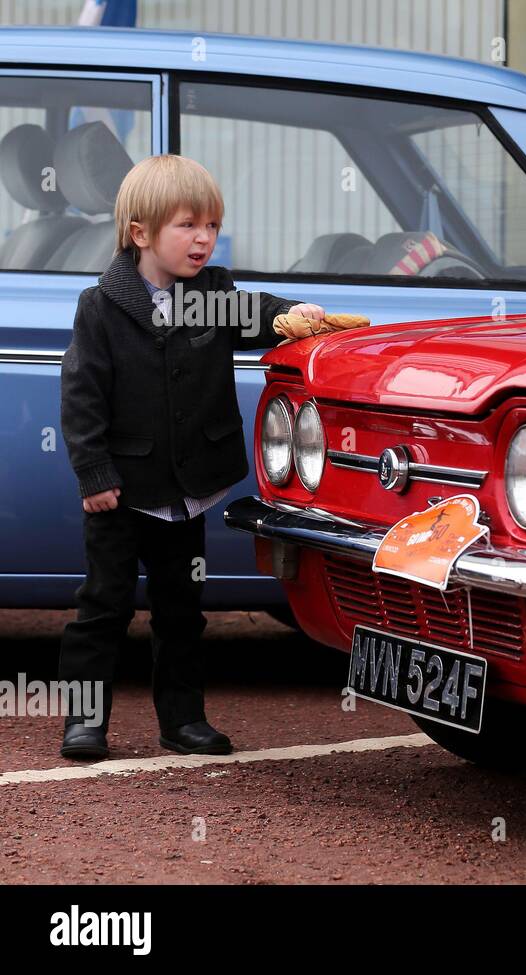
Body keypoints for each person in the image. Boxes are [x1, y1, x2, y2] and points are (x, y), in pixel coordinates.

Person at [57, 153, 326, 760]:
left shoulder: (212, 293)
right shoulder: (101, 306)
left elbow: (258, 313)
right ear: (140, 233)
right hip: (122, 490)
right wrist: (94, 473)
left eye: (211, 224)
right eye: (187, 225)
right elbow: (81, 395)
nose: (203, 238)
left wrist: (290, 317)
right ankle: (84, 720)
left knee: (182, 611)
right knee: (104, 605)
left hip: (186, 495)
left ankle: (183, 720)